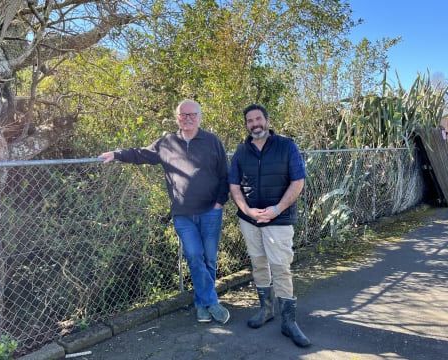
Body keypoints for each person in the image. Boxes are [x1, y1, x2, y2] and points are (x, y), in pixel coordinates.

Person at [98, 99, 231, 324]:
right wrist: (117, 154)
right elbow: (141, 154)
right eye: (183, 114)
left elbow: (225, 175)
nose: (188, 118)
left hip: (211, 212)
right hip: (183, 214)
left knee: (209, 258)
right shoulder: (167, 142)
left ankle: (202, 304)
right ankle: (213, 302)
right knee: (194, 255)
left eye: (192, 114)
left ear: (199, 116)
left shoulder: (212, 141)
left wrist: (219, 203)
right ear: (177, 117)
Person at [228, 103, 311, 347]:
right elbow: (234, 186)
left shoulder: (287, 146)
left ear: (267, 120)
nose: (255, 124)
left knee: (281, 266)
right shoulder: (241, 151)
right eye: (250, 121)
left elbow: (297, 181)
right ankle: (266, 310)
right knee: (259, 264)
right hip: (250, 220)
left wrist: (276, 209)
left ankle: (289, 322)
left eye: (258, 119)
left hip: (279, 220)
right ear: (246, 125)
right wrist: (248, 211)